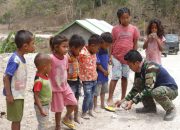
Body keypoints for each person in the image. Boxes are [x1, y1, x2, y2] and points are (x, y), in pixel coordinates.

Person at [116, 50, 178, 121]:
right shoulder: (138, 69)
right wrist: (123, 100)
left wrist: (132, 101)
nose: (129, 68)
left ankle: (171, 109)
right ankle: (150, 107)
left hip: (171, 90)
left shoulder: (150, 67)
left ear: (137, 63)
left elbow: (149, 89)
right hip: (159, 88)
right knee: (139, 83)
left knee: (155, 92)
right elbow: (136, 88)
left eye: (130, 65)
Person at [107, 7, 140, 108]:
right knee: (115, 77)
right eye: (123, 18)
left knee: (125, 78)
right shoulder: (115, 29)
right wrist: (110, 56)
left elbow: (135, 43)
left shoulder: (134, 29)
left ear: (130, 17)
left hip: (128, 60)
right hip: (116, 57)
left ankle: (123, 98)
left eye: (127, 17)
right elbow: (111, 44)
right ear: (119, 18)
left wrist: (134, 56)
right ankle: (110, 98)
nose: (125, 20)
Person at [3, 30, 35, 130]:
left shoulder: (21, 57)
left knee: (18, 118)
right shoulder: (15, 60)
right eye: (33, 43)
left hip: (19, 94)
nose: (34, 46)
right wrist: (9, 95)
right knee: (16, 120)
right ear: (25, 46)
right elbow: (6, 77)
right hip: (14, 96)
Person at [49, 34, 77, 130]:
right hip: (55, 89)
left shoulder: (65, 58)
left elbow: (66, 69)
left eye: (67, 46)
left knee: (73, 102)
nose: (66, 49)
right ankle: (57, 126)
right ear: (56, 47)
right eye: (64, 46)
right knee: (59, 109)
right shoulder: (51, 58)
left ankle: (65, 118)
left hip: (65, 86)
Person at [79, 34, 101, 119]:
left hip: (94, 78)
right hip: (86, 80)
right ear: (92, 46)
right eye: (98, 48)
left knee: (92, 96)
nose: (98, 50)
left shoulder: (93, 52)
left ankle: (90, 110)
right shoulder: (82, 53)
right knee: (87, 96)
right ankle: (84, 112)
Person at [67, 34, 85, 123]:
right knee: (71, 101)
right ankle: (69, 117)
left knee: (77, 99)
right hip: (69, 82)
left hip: (77, 80)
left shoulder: (76, 56)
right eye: (79, 49)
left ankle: (76, 116)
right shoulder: (66, 56)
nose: (80, 51)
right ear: (73, 47)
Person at [94, 32, 112, 111]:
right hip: (98, 75)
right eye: (106, 45)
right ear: (101, 42)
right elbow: (97, 63)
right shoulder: (97, 51)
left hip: (105, 75)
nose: (107, 47)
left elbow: (107, 60)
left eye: (109, 45)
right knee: (96, 92)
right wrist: (104, 71)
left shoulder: (106, 50)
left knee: (103, 91)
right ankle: (95, 106)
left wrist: (108, 67)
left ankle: (102, 104)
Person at [33, 53, 52, 130]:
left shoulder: (44, 76)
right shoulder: (39, 80)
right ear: (45, 67)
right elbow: (36, 95)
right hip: (42, 106)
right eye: (50, 65)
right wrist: (41, 109)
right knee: (43, 124)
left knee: (44, 123)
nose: (51, 67)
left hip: (45, 104)